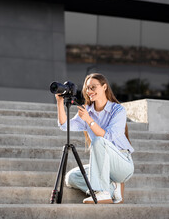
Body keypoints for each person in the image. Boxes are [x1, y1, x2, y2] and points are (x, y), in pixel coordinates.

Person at [55, 73, 134, 204]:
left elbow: (107, 137)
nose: (89, 91)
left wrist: (89, 120)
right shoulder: (88, 110)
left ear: (104, 87)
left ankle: (102, 192)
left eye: (93, 87)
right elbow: (65, 126)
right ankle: (112, 188)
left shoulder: (118, 110)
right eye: (87, 88)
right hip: (103, 164)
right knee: (71, 177)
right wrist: (59, 102)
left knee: (98, 140)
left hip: (121, 165)